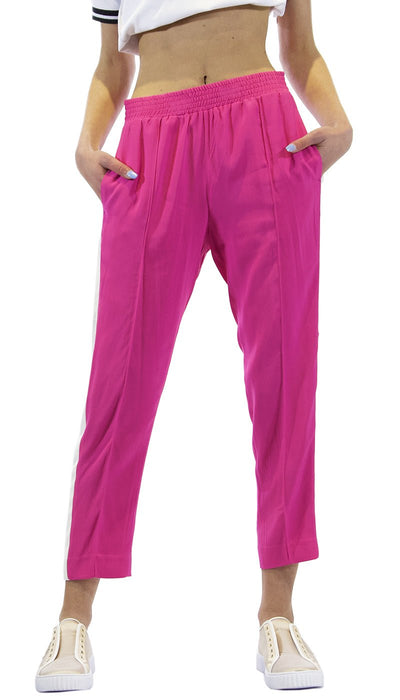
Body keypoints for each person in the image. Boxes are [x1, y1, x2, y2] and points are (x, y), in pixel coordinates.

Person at [35, 0, 353, 692]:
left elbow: (300, 47)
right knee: (118, 384)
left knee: (285, 376)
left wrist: (338, 124)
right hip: (152, 147)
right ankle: (74, 616)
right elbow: (110, 66)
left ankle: (278, 614)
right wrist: (87, 144)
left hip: (265, 133)